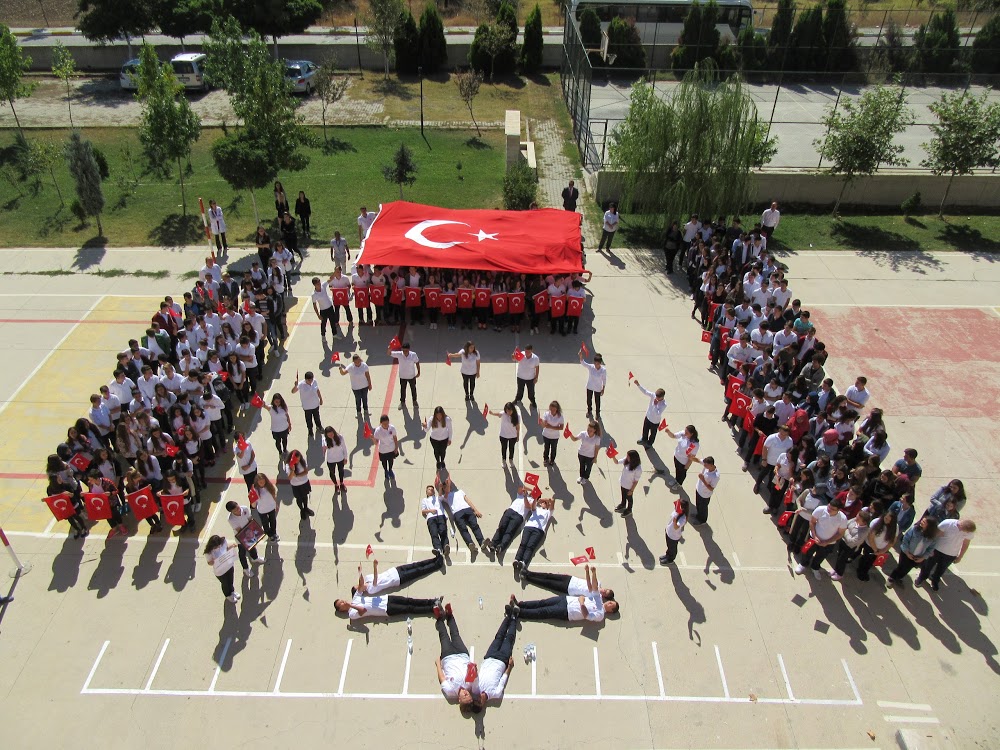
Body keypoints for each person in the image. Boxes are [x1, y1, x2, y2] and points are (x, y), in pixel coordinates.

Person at [433, 605, 477, 709]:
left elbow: (442, 678)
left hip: (447, 657)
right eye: (468, 695)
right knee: (455, 634)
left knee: (444, 636)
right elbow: (473, 670)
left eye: (465, 696)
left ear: (459, 700)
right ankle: (449, 615)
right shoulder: (470, 685)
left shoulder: (450, 691)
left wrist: (438, 664)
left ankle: (439, 618)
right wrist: (474, 669)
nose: (466, 693)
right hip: (462, 654)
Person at [794, 496, 849, 580]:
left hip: (829, 543)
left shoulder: (843, 518)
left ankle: (815, 567)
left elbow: (840, 533)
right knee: (807, 552)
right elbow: (812, 522)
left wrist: (827, 542)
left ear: (838, 510)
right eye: (829, 506)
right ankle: (803, 564)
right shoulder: (820, 509)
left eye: (832, 509)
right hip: (813, 537)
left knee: (821, 556)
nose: (829, 509)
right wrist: (815, 536)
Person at [474, 611, 519, 709]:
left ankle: (508, 616)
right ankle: (514, 618)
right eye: (479, 701)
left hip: (489, 656)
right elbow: (503, 679)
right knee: (509, 639)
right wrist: (509, 666)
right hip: (502, 659)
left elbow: (474, 678)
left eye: (476, 700)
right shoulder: (495, 694)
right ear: (483, 704)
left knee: (499, 636)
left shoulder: (476, 690)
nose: (478, 698)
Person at [917, 518, 976, 591]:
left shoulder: (969, 532)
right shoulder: (947, 523)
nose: (966, 533)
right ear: (961, 525)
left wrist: (960, 557)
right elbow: (935, 536)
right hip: (936, 550)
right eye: (965, 531)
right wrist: (929, 549)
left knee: (941, 569)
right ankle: (922, 577)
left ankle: (935, 580)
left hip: (951, 555)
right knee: (927, 565)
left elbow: (965, 544)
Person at [511, 583, 618, 622]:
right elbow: (594, 588)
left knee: (544, 612)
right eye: (610, 602)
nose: (608, 603)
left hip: (567, 612)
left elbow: (587, 616)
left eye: (611, 605)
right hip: (567, 600)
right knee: (543, 602)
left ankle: (520, 612)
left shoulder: (600, 615)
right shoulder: (598, 599)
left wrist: (581, 603)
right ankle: (521, 604)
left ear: (610, 611)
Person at [354, 555, 445, 596]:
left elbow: (362, 580)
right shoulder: (370, 590)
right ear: (360, 590)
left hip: (394, 571)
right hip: (398, 579)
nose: (359, 584)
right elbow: (375, 581)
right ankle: (437, 564)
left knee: (416, 565)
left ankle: (435, 559)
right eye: (358, 587)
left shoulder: (367, 578)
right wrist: (375, 566)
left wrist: (360, 572)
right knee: (419, 571)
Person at [887, 517, 939, 588]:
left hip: (917, 557)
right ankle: (891, 578)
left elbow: (930, 549)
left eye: (924, 522)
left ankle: (898, 578)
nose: (921, 522)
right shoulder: (914, 529)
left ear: (929, 526)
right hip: (906, 553)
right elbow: (905, 540)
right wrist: (907, 553)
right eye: (922, 521)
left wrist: (922, 558)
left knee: (907, 569)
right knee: (901, 567)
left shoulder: (933, 538)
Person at [441, 478, 487, 554]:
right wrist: (443, 487)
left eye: (447, 485)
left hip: (467, 509)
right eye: (445, 486)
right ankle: (470, 544)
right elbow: (442, 494)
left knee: (475, 526)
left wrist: (475, 510)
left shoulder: (460, 491)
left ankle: (482, 542)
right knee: (463, 529)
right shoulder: (445, 496)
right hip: (457, 513)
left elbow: (468, 500)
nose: (447, 486)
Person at [484, 485, 530, 557]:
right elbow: (520, 488)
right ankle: (493, 544)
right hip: (510, 511)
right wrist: (530, 490)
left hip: (519, 516)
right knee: (501, 527)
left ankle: (501, 547)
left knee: (509, 532)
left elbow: (527, 506)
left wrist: (525, 497)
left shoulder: (532, 501)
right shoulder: (520, 495)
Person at [512, 495, 554, 573]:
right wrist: (537, 500)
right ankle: (516, 560)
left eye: (546, 503)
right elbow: (534, 505)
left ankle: (523, 562)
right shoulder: (536, 509)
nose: (544, 503)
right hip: (528, 527)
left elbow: (552, 501)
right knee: (523, 544)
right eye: (543, 502)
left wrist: (545, 500)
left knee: (530, 546)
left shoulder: (548, 512)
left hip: (539, 530)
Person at [334, 593, 442, 621]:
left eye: (342, 601)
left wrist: (360, 572)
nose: (343, 602)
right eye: (341, 604)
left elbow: (361, 587)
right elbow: (363, 610)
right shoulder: (351, 614)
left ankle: (433, 601)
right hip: (385, 610)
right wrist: (350, 605)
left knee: (409, 600)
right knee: (409, 608)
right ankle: (431, 609)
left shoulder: (355, 598)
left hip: (386, 599)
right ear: (341, 610)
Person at [856, 509, 898, 581]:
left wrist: (883, 550)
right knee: (866, 559)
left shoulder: (895, 527)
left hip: (881, 549)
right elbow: (870, 537)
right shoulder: (875, 522)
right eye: (886, 518)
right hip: (870, 546)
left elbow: (892, 541)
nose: (887, 521)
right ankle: (860, 571)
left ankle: (865, 570)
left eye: (889, 520)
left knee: (871, 561)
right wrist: (875, 549)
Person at [225, 501, 263, 576]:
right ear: (231, 512)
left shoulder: (245, 508)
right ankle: (245, 569)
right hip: (241, 536)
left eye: (238, 507)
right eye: (235, 510)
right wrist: (250, 536)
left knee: (252, 547)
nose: (238, 510)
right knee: (242, 553)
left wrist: (256, 533)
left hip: (250, 532)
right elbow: (239, 530)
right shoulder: (231, 519)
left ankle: (255, 558)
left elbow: (250, 519)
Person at [203, 535, 241, 603]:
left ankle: (232, 591)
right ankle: (228, 595)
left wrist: (232, 546)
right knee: (225, 584)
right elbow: (209, 562)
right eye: (216, 547)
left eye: (219, 545)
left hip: (229, 566)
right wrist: (212, 562)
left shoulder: (223, 542)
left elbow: (226, 548)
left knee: (230, 580)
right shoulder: (208, 552)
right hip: (220, 572)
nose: (218, 547)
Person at [633, 378, 667, 447]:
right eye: (656, 396)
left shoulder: (664, 404)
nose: (656, 398)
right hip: (648, 417)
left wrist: (655, 405)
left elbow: (658, 414)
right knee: (645, 429)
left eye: (658, 398)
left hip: (655, 422)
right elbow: (645, 392)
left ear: (662, 397)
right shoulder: (654, 395)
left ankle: (649, 443)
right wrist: (638, 385)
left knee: (653, 434)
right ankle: (644, 439)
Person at [568, 420, 601, 485]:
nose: (588, 431)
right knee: (582, 466)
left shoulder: (597, 438)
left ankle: (585, 478)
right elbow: (575, 439)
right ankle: (581, 476)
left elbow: (596, 449)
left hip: (590, 456)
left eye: (591, 430)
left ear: (594, 430)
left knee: (588, 468)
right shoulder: (583, 434)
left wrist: (595, 458)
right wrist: (570, 434)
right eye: (588, 429)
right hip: (581, 454)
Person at [291, 371, 323, 438]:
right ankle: (310, 430)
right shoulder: (301, 384)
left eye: (311, 379)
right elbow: (293, 391)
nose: (311, 381)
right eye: (309, 380)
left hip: (315, 405)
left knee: (317, 417)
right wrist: (295, 386)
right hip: (307, 407)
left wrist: (320, 398)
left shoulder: (314, 381)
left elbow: (317, 390)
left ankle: (319, 426)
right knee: (308, 420)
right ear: (305, 379)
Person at [421, 485, 450, 557]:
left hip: (440, 516)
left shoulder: (437, 498)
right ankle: (438, 549)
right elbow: (423, 511)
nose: (431, 490)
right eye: (429, 489)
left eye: (432, 489)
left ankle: (445, 547)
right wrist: (430, 510)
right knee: (434, 533)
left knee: (443, 531)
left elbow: (440, 494)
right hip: (431, 517)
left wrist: (440, 487)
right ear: (426, 492)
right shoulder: (425, 500)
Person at [390, 341, 420, 408]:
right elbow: (389, 353)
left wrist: (418, 372)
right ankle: (402, 402)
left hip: (411, 376)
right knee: (402, 390)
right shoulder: (399, 354)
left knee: (413, 389)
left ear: (409, 349)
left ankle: (414, 401)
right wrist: (390, 348)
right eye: (403, 350)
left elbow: (417, 362)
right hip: (402, 376)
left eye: (406, 351)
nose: (404, 352)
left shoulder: (413, 355)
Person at [370, 414, 400, 482]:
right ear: (381, 423)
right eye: (384, 424)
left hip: (391, 449)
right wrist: (372, 438)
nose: (386, 425)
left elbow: (395, 438)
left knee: (391, 461)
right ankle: (386, 471)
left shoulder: (392, 428)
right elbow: (376, 443)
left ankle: (390, 470)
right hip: (383, 450)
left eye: (387, 423)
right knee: (384, 462)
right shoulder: (378, 431)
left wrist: (396, 448)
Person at [579, 350, 607, 420]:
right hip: (590, 386)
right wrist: (581, 356)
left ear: (600, 363)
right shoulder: (591, 367)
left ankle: (597, 413)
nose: (596, 365)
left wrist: (603, 388)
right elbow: (583, 363)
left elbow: (604, 379)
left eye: (597, 363)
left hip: (598, 388)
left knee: (597, 401)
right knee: (589, 400)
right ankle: (589, 411)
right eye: (595, 363)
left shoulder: (603, 370)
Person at [252, 473, 280, 542]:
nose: (262, 483)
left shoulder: (269, 486)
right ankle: (270, 535)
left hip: (271, 508)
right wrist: (253, 499)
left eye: (263, 481)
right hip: (262, 510)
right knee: (265, 524)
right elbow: (253, 506)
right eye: (260, 482)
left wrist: (276, 504)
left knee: (273, 521)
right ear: (257, 482)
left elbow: (273, 495)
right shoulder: (255, 490)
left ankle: (274, 533)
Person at [661, 498, 689, 565]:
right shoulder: (678, 510)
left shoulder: (683, 518)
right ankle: (667, 555)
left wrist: (674, 521)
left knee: (672, 548)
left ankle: (670, 559)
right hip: (669, 531)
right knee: (669, 546)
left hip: (673, 536)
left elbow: (676, 527)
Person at [286, 449, 314, 519]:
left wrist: (297, 475)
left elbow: (306, 472)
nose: (298, 461)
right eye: (296, 460)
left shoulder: (302, 461)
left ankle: (306, 508)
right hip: (295, 485)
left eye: (299, 459)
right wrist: (292, 470)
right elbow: (289, 478)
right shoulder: (288, 465)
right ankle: (302, 510)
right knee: (299, 499)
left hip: (304, 483)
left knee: (305, 496)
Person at [615, 449, 643, 517]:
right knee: (623, 495)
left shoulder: (638, 469)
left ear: (633, 458)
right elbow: (617, 462)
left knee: (629, 499)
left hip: (629, 486)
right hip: (623, 483)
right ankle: (623, 504)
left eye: (628, 456)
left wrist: (631, 490)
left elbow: (636, 481)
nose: (626, 457)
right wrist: (613, 456)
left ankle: (629, 509)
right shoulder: (627, 460)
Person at [693, 456, 720, 524]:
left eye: (706, 465)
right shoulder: (706, 465)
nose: (704, 466)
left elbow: (711, 488)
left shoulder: (715, 476)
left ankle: (702, 521)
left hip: (704, 495)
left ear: (711, 465)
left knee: (703, 509)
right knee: (698, 505)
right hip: (699, 490)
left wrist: (703, 479)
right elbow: (698, 460)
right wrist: (691, 457)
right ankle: (698, 516)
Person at [538, 401, 565, 468]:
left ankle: (552, 460)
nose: (552, 411)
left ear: (557, 409)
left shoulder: (560, 416)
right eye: (551, 409)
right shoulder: (546, 414)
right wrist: (541, 422)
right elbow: (544, 425)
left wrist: (551, 427)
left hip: (555, 436)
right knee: (546, 447)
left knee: (553, 449)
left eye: (553, 410)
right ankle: (545, 459)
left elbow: (561, 427)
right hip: (546, 435)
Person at [513, 344, 540, 410]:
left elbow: (537, 367)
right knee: (520, 391)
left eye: (528, 352)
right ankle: (517, 399)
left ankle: (532, 401)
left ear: (531, 350)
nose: (526, 353)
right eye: (526, 351)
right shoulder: (521, 354)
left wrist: (536, 377)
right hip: (520, 377)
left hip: (530, 379)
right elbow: (514, 359)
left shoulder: (535, 358)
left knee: (531, 392)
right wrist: (513, 355)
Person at [310, 276, 336, 341]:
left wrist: (335, 274)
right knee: (323, 324)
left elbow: (329, 279)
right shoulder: (314, 295)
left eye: (319, 282)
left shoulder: (323, 286)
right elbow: (314, 305)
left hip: (330, 307)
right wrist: (318, 315)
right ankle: (323, 335)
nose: (319, 284)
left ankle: (334, 334)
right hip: (323, 310)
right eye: (318, 284)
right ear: (314, 285)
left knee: (333, 322)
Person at [323, 426, 348, 492]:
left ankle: (341, 483)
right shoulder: (324, 440)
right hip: (331, 460)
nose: (331, 436)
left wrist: (345, 458)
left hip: (340, 458)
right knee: (332, 473)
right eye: (329, 435)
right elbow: (323, 449)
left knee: (341, 471)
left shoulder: (340, 437)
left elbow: (344, 448)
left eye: (332, 434)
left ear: (334, 432)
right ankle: (336, 485)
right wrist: (324, 448)